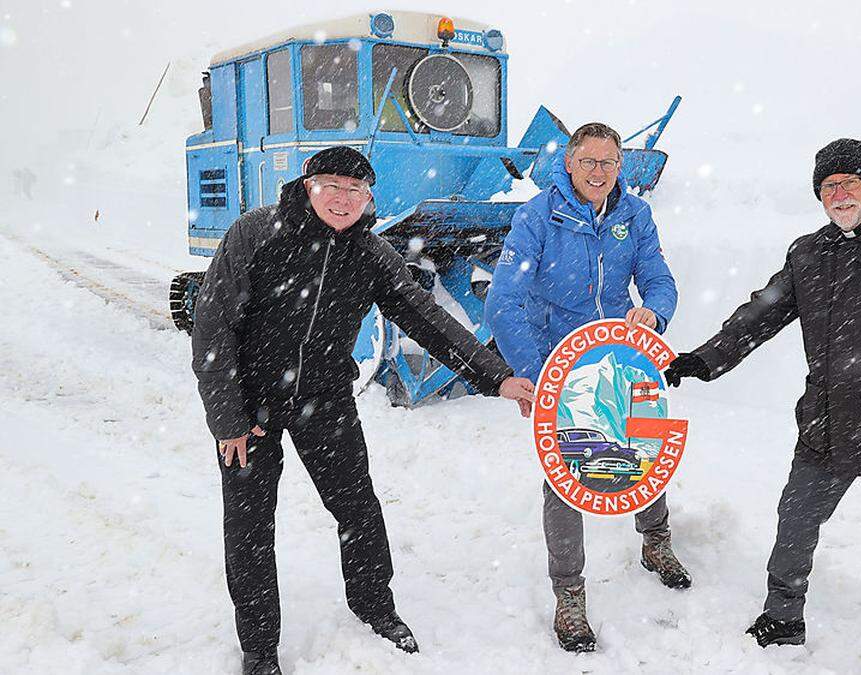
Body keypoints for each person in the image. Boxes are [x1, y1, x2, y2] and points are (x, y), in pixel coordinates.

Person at [191, 146, 535, 675]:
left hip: (325, 401)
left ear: (368, 197)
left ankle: (374, 606)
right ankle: (259, 648)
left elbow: (425, 319)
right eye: (332, 186)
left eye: (356, 191)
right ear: (307, 185)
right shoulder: (256, 234)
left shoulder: (370, 252)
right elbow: (214, 328)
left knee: (358, 510)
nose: (343, 199)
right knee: (250, 527)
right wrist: (228, 419)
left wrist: (495, 376)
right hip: (251, 408)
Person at [665, 138, 861, 675]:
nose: (839, 194)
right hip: (827, 424)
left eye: (849, 183)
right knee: (794, 520)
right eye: (828, 186)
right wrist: (704, 360)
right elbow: (760, 315)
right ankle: (783, 618)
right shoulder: (808, 252)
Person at [484, 122, 687, 653]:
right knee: (567, 475)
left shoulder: (635, 214)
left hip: (623, 357)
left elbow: (660, 280)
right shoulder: (537, 217)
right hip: (562, 365)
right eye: (590, 162)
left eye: (610, 163)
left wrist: (654, 312)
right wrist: (538, 373)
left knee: (646, 446)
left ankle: (656, 541)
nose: (600, 173)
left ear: (621, 167)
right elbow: (504, 300)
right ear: (569, 165)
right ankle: (569, 592)